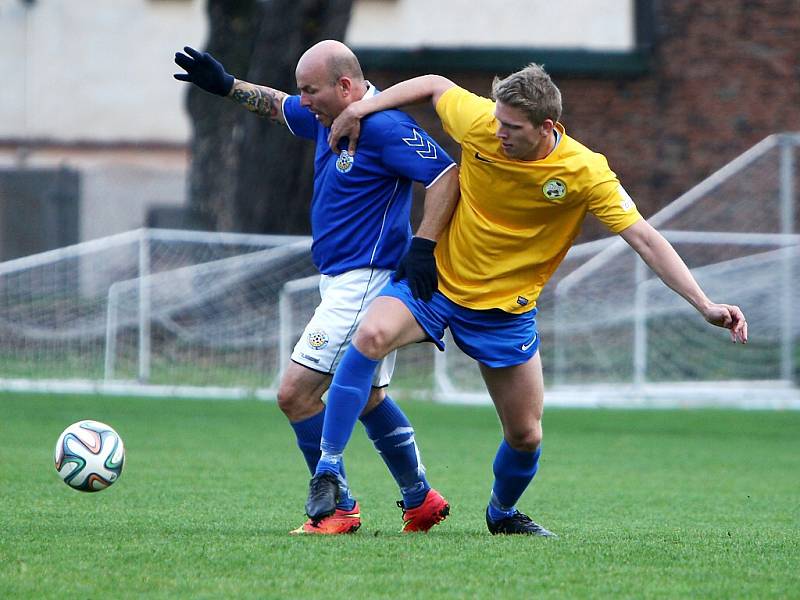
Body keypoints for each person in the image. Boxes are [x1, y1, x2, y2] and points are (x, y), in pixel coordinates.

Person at [306, 64, 749, 536]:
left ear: (548, 128)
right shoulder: (482, 122)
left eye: (512, 128)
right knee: (370, 334)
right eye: (497, 121)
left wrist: (704, 304)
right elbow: (434, 85)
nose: (498, 133)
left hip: (505, 312)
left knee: (525, 434)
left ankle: (501, 513)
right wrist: (359, 108)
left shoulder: (584, 172)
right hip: (439, 285)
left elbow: (643, 237)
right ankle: (329, 469)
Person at [173, 41, 460, 534]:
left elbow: (446, 175)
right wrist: (226, 86)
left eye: (310, 90)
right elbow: (276, 104)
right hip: (339, 280)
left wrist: (424, 244)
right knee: (367, 397)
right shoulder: (328, 118)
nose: (302, 99)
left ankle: (338, 508)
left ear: (345, 86)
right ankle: (420, 498)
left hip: (363, 282)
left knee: (295, 393)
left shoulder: (386, 126)